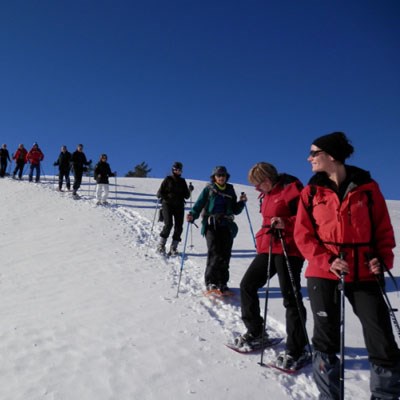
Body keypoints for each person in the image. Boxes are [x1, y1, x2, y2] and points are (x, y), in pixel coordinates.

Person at [294, 131, 400, 399]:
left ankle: (385, 395)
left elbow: (384, 231)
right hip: (323, 271)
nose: (309, 158)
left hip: (364, 270)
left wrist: (382, 259)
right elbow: (303, 235)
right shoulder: (311, 192)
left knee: (381, 338)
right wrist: (327, 259)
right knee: (326, 339)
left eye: (314, 153)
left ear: (331, 155)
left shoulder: (368, 188)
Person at [235, 162, 309, 367]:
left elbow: (307, 218)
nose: (256, 189)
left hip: (290, 249)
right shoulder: (266, 194)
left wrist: (287, 222)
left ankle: (297, 348)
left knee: (291, 298)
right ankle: (256, 331)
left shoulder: (291, 190)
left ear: (267, 180)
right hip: (269, 246)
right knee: (247, 285)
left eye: (258, 185)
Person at [187, 166, 246, 293]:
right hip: (211, 224)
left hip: (226, 225)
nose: (221, 177)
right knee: (214, 252)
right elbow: (199, 204)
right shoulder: (208, 189)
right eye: (218, 175)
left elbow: (235, 209)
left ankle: (222, 282)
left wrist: (241, 203)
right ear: (214, 177)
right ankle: (211, 282)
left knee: (225, 254)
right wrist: (192, 214)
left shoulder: (230, 190)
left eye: (223, 175)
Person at [156, 162, 192, 256]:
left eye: (179, 170)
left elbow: (186, 196)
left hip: (179, 205)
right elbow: (160, 192)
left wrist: (189, 190)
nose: (178, 171)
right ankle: (161, 245)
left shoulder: (182, 181)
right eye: (176, 169)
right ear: (173, 170)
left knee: (179, 226)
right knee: (168, 224)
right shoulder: (168, 179)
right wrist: (163, 196)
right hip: (167, 204)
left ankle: (173, 247)